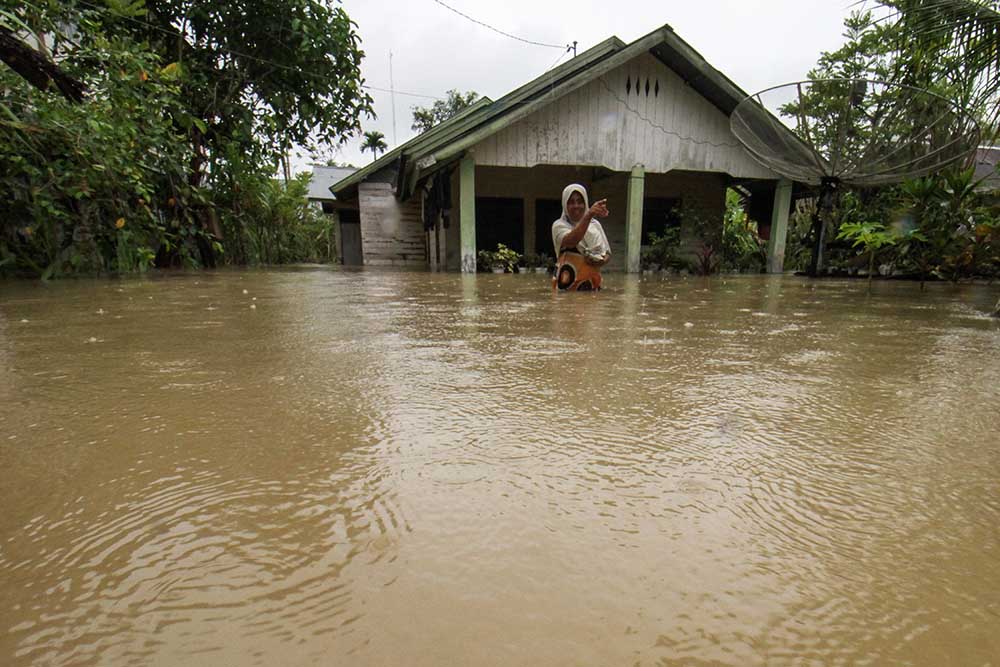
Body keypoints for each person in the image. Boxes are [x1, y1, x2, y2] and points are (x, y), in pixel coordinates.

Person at [551, 184, 611, 291]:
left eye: (580, 201)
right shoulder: (559, 225)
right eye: (571, 202)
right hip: (566, 287)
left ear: (585, 203)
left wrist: (599, 261)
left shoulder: (595, 225)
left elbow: (607, 253)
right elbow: (571, 241)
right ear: (565, 204)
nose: (576, 206)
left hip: (592, 286)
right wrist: (588, 215)